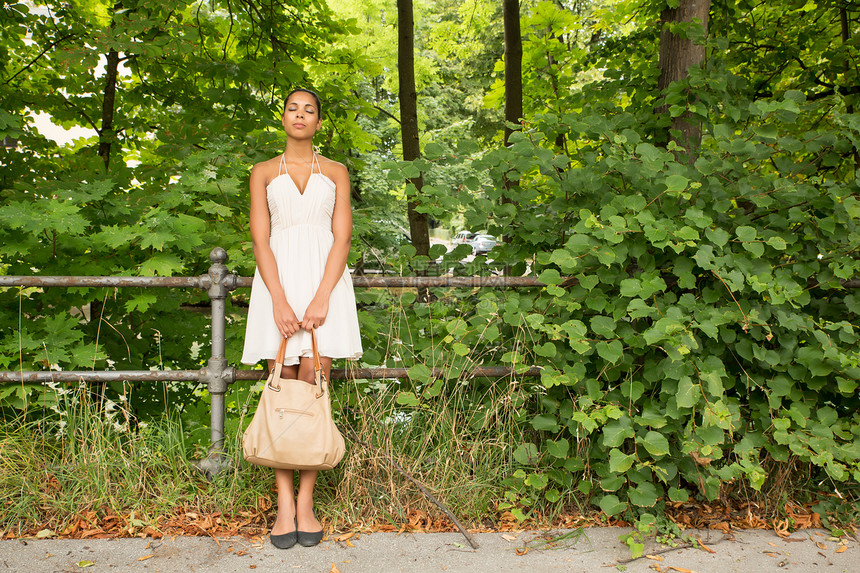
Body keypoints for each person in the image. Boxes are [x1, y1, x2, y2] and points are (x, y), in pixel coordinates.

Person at [241, 88, 363, 549]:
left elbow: (341, 239)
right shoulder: (263, 172)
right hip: (278, 286)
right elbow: (260, 240)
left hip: (323, 288)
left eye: (309, 109)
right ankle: (283, 505)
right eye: (293, 107)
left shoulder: (335, 172)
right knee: (280, 387)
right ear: (284, 116)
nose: (300, 114)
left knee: (313, 389)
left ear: (317, 122)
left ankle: (307, 504)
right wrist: (279, 300)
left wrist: (321, 297)